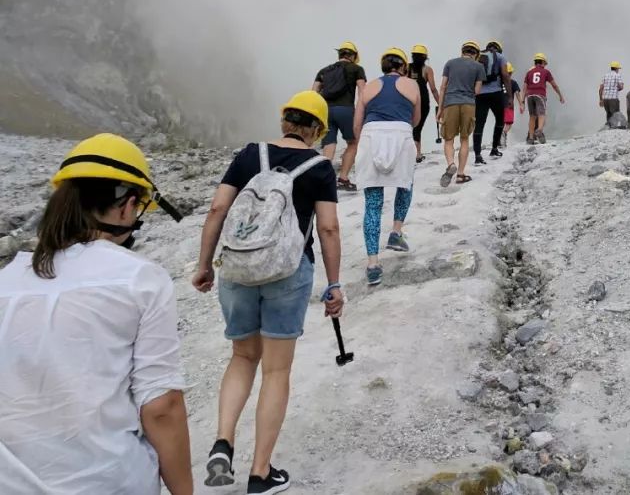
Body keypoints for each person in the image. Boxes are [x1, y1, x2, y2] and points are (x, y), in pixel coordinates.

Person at [0, 134, 193, 495]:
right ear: (127, 206)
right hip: (106, 480)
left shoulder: (7, 279)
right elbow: (161, 406)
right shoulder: (140, 278)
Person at [192, 90, 343, 494]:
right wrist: (334, 283)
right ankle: (260, 474)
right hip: (288, 273)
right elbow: (327, 228)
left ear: (285, 122)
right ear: (315, 129)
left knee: (242, 357)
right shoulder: (320, 167)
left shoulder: (248, 155)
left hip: (239, 270)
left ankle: (223, 442)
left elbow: (217, 210)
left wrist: (204, 264)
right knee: (275, 371)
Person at [354, 48, 420, 287]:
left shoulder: (369, 86)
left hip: (372, 135)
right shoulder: (411, 85)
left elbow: (357, 122)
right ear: (402, 66)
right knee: (406, 183)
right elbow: (416, 119)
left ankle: (372, 265)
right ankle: (396, 231)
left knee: (372, 203)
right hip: (401, 134)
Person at [312, 41, 367, 192]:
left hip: (325, 111)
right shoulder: (357, 69)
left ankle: (324, 180)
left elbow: (313, 91)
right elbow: (363, 91)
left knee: (329, 144)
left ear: (340, 54)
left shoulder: (324, 70)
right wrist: (363, 111)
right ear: (354, 56)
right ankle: (343, 178)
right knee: (353, 143)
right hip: (346, 110)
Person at [437, 40, 486, 186]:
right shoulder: (479, 67)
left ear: (462, 51)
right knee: (464, 139)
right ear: (476, 54)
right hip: (468, 104)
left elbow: (443, 87)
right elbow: (477, 91)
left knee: (448, 139)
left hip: (450, 103)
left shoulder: (450, 63)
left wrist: (440, 109)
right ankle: (460, 174)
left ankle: (451, 164)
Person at [473, 39, 513, 164]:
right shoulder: (500, 57)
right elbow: (505, 76)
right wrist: (510, 96)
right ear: (498, 49)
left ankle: (478, 155)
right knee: (500, 120)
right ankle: (494, 148)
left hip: (479, 94)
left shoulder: (478, 57)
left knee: (479, 124)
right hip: (496, 93)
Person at [522, 53, 565, 144]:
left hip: (529, 96)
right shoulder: (546, 72)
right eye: (545, 63)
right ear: (542, 62)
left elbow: (524, 87)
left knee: (532, 116)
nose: (545, 65)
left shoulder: (529, 73)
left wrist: (522, 100)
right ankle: (539, 130)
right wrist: (560, 95)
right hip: (540, 95)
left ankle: (530, 138)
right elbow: (554, 85)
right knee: (542, 114)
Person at [408, 44, 440, 163]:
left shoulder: (406, 68)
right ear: (425, 57)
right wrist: (441, 104)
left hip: (408, 100)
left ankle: (407, 153)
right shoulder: (427, 70)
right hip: (423, 101)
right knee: (418, 127)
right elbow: (433, 89)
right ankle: (417, 154)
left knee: (406, 127)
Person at [502, 63, 522, 147]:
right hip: (509, 105)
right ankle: (503, 133)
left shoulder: (499, 82)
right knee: (509, 122)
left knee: (500, 122)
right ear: (511, 73)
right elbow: (517, 93)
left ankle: (499, 137)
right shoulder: (513, 82)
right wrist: (521, 104)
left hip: (498, 104)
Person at [598, 61, 625, 125]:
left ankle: (608, 128)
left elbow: (601, 88)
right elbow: (621, 87)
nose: (618, 70)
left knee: (608, 114)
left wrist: (601, 99)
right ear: (616, 68)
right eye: (618, 68)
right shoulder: (617, 75)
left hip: (605, 99)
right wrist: (619, 87)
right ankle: (613, 128)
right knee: (615, 114)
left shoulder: (605, 75)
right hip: (613, 99)